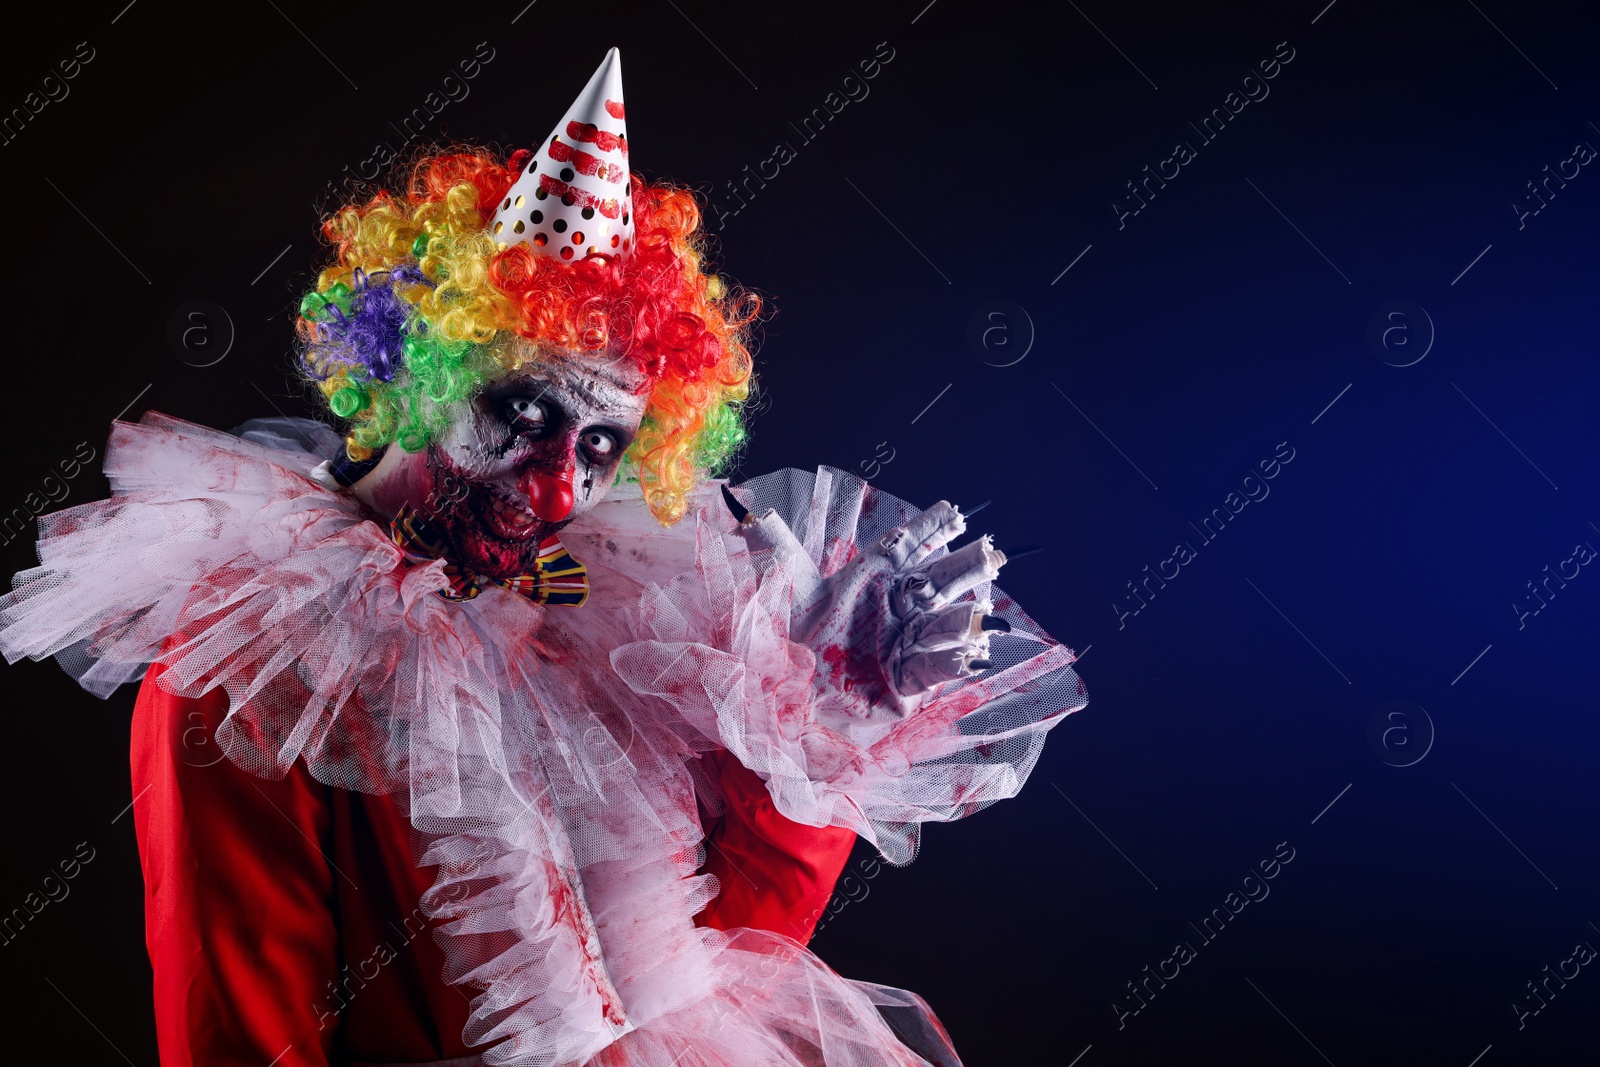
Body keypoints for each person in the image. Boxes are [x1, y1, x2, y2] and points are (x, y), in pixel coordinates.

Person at [0, 47, 1087, 1067]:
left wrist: (830, 712)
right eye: (520, 410)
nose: (561, 488)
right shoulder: (254, 653)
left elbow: (728, 962)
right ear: (410, 365)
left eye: (604, 444)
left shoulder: (614, 611)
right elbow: (240, 1034)